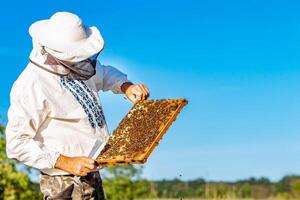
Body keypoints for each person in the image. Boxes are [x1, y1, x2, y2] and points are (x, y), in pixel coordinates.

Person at [5, 11, 150, 199]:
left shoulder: (78, 65)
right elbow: (16, 143)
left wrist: (125, 86)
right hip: (64, 184)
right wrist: (65, 161)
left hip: (91, 174)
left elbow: (104, 73)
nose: (85, 62)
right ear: (60, 53)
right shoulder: (30, 85)